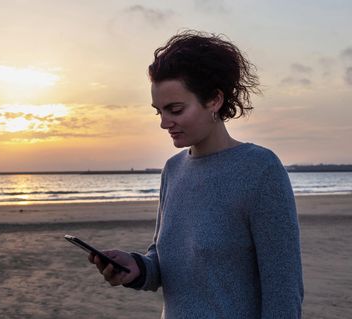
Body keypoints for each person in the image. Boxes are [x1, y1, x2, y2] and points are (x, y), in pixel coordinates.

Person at [88, 30, 304, 318]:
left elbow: (284, 292)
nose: (165, 123)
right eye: (159, 112)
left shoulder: (260, 170)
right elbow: (167, 265)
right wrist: (137, 268)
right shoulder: (173, 170)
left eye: (175, 109)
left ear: (214, 100)